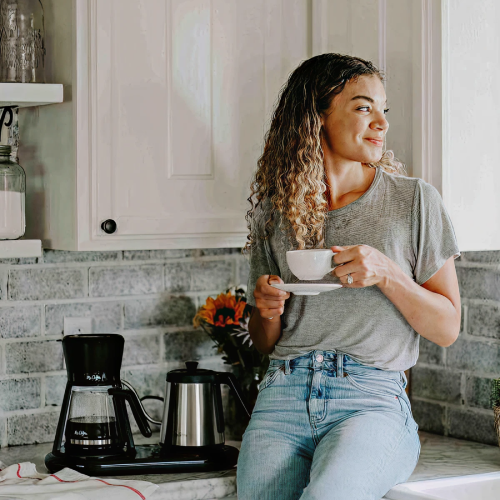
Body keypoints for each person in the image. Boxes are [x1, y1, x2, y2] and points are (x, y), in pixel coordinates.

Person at [237, 53, 461, 500]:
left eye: (383, 110)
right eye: (363, 107)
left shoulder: (413, 201)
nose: (380, 122)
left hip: (371, 400)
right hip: (282, 394)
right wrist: (265, 311)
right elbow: (266, 343)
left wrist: (387, 273)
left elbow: (447, 327)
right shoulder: (274, 213)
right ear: (317, 116)